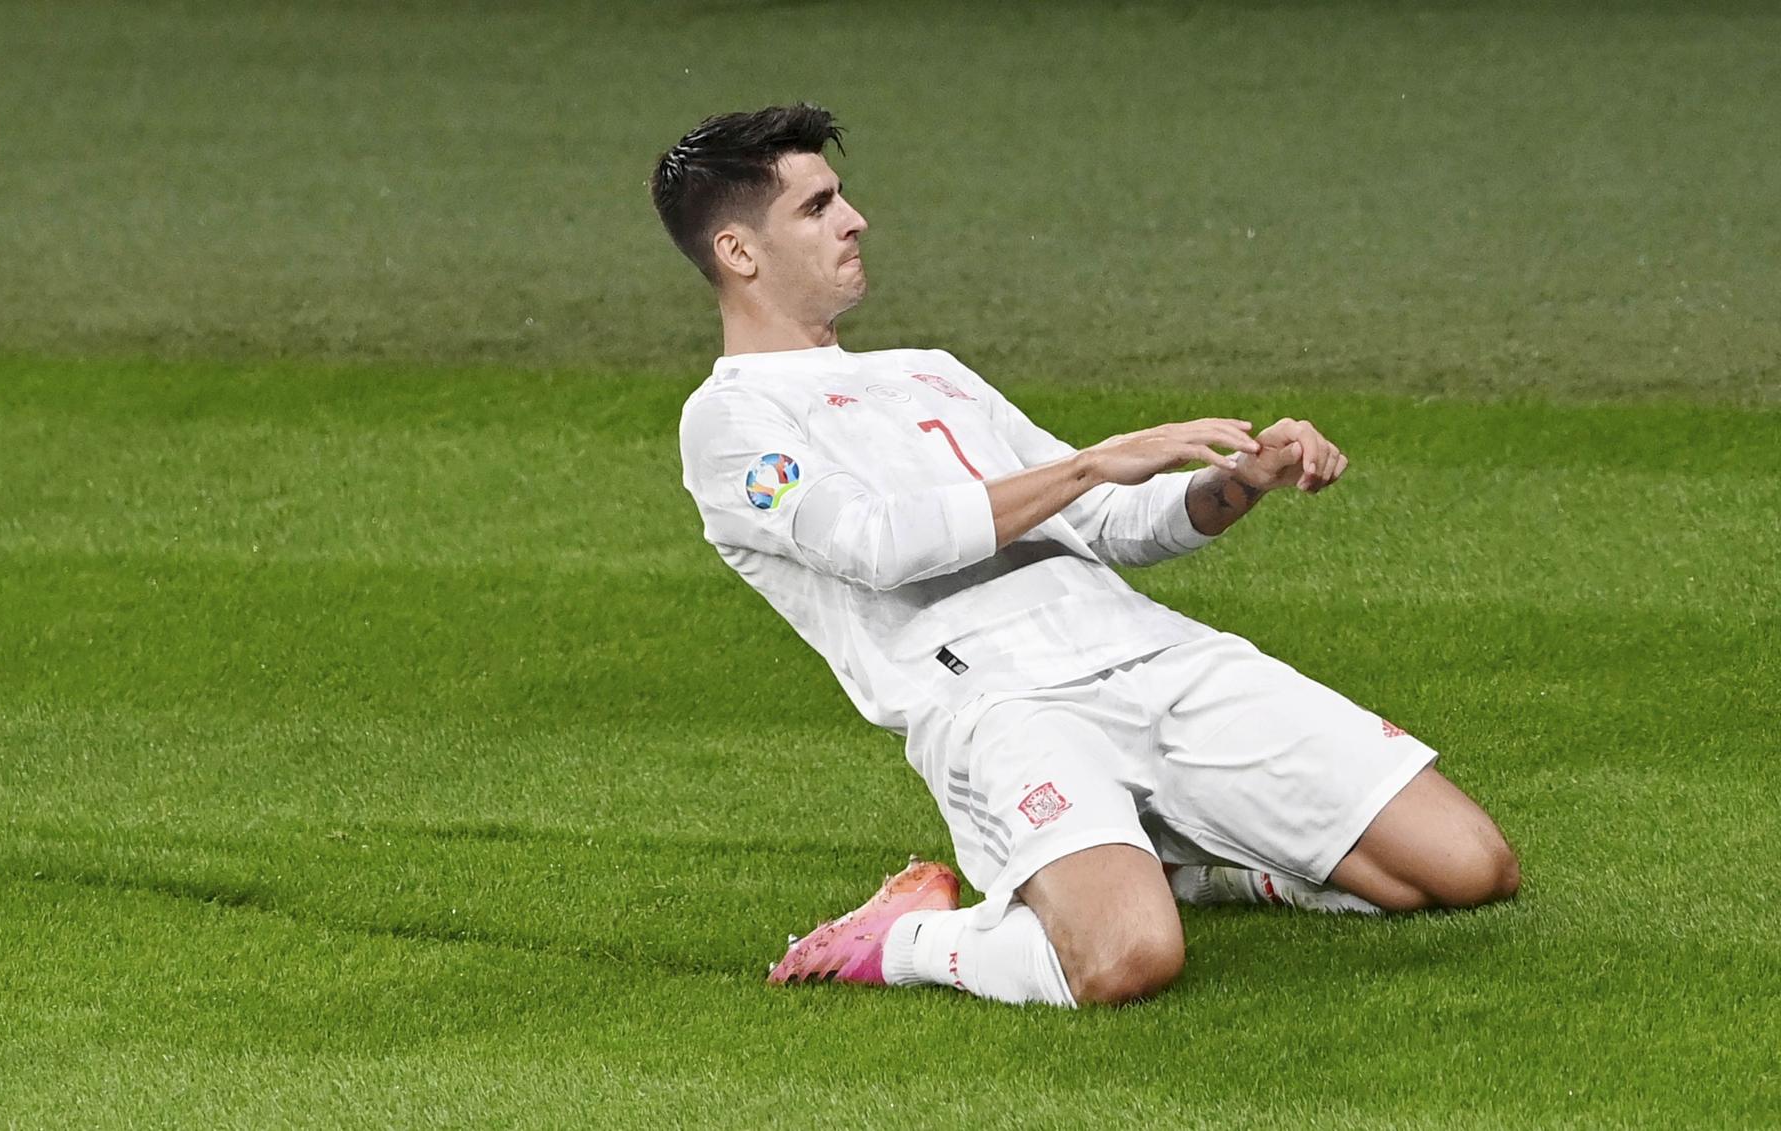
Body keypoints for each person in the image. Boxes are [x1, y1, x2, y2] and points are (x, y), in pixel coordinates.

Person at [649, 104, 1519, 1008]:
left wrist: (1242, 481)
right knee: (1125, 960)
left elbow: (1108, 521)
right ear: (739, 253)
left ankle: (1194, 865)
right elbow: (877, 544)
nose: (855, 218)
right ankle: (906, 936)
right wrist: (1087, 463)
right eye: (818, 205)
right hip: (1001, 702)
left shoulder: (929, 370)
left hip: (1153, 656)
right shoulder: (731, 421)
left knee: (1469, 867)